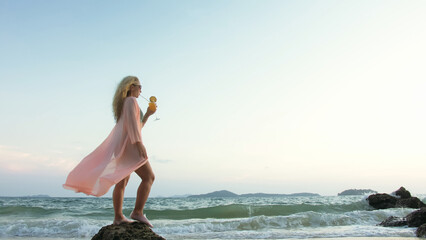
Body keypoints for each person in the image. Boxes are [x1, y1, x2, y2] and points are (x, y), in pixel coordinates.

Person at [63, 76, 156, 227]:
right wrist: (139, 144)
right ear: (131, 86)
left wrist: (147, 115)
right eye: (139, 86)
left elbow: (136, 126)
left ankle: (118, 217)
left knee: (122, 181)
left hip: (124, 145)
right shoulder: (132, 101)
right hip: (131, 145)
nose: (141, 90)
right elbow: (134, 127)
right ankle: (137, 212)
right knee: (149, 177)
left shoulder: (124, 104)